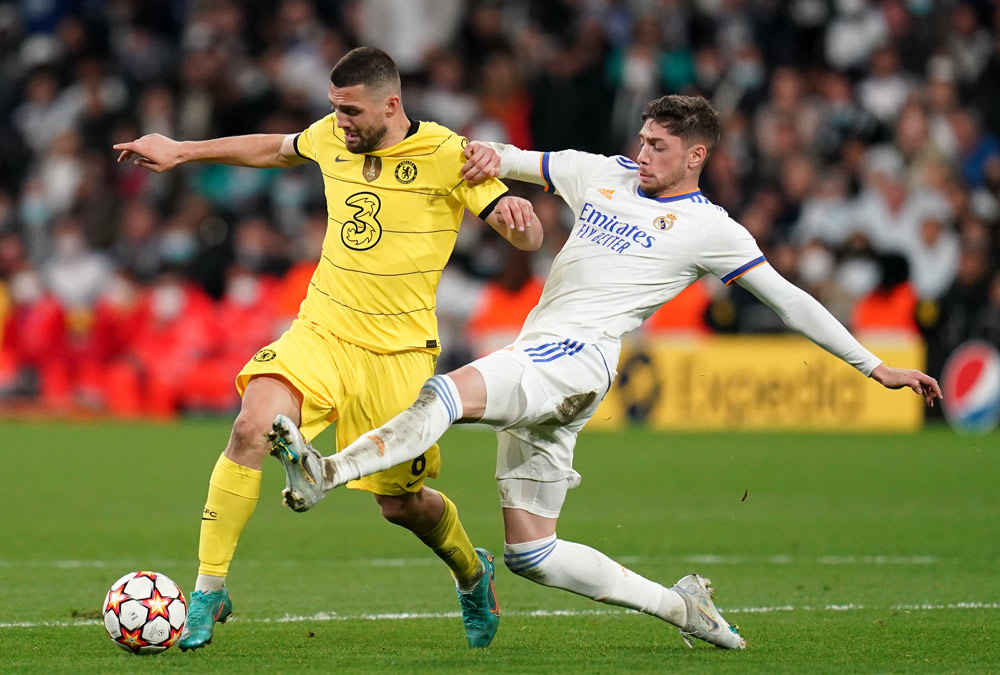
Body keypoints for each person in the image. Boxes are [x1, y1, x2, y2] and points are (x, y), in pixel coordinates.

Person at [270, 95, 943, 650]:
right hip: (550, 362)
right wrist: (478, 157)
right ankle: (684, 609)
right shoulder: (604, 172)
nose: (644, 153)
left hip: (575, 359)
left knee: (446, 391)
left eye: (659, 145)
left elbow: (789, 300)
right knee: (533, 553)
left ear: (696, 156)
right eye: (643, 139)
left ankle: (329, 470)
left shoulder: (713, 228)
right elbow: (509, 159)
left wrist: (875, 364)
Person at [113, 46, 542, 651]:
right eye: (334, 110)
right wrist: (182, 150)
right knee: (249, 428)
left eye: (350, 111)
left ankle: (472, 573)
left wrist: (521, 221)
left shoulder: (447, 153)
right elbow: (276, 147)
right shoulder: (332, 136)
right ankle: (209, 591)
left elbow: (521, 231)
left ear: (392, 104)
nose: (339, 122)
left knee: (403, 506)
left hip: (397, 356)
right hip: (322, 332)